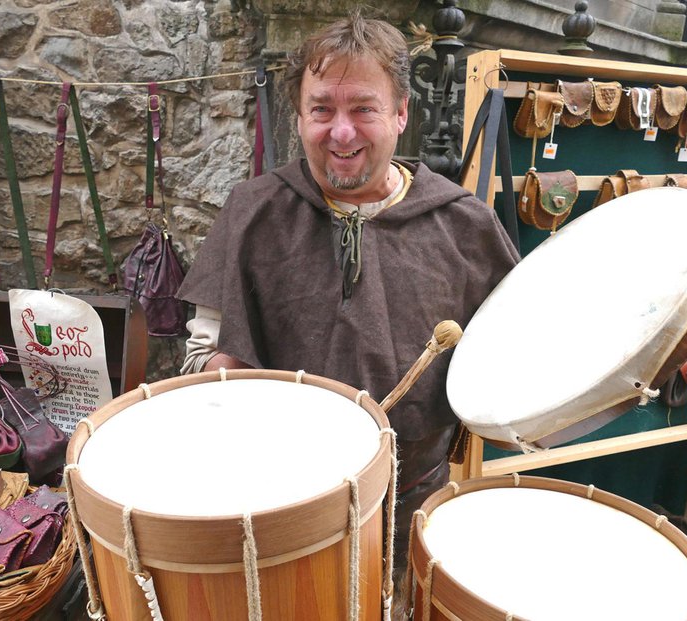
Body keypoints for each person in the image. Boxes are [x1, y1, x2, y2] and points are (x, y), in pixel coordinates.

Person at [178, 10, 519, 580]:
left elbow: (510, 357)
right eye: (322, 110)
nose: (342, 132)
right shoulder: (253, 212)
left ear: (400, 114)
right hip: (278, 506)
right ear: (300, 116)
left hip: (412, 499)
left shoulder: (463, 226)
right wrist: (219, 376)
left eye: (363, 107)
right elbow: (205, 355)